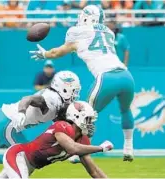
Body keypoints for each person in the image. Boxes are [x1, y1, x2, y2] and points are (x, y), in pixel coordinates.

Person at [30, 5, 135, 161]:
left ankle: (79, 153)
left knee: (84, 114)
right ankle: (128, 149)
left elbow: (57, 52)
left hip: (107, 77)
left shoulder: (77, 32)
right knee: (125, 110)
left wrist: (45, 54)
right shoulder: (108, 32)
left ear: (85, 17)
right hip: (126, 76)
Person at [0, 101, 113, 179]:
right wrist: (100, 148)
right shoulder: (63, 126)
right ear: (76, 117)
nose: (90, 123)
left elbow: (94, 172)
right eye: (88, 119)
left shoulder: (82, 140)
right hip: (18, 155)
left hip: (30, 165)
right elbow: (72, 147)